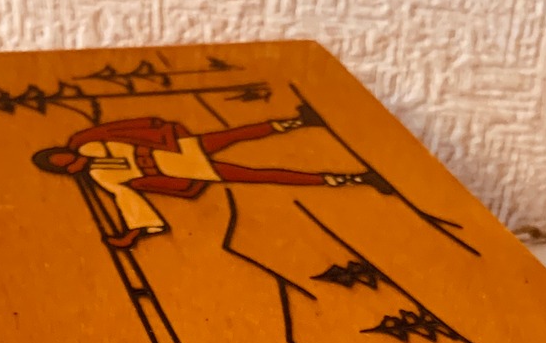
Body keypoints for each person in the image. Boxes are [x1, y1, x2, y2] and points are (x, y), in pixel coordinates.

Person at [32, 104, 392, 248]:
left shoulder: (89, 143)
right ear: (62, 167)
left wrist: (154, 126)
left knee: (236, 134)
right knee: (259, 175)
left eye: (62, 154)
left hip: (175, 147)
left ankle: (298, 121)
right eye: (62, 162)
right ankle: (349, 180)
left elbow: (124, 129)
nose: (69, 159)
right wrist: (134, 232)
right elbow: (129, 199)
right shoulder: (100, 177)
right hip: (179, 167)